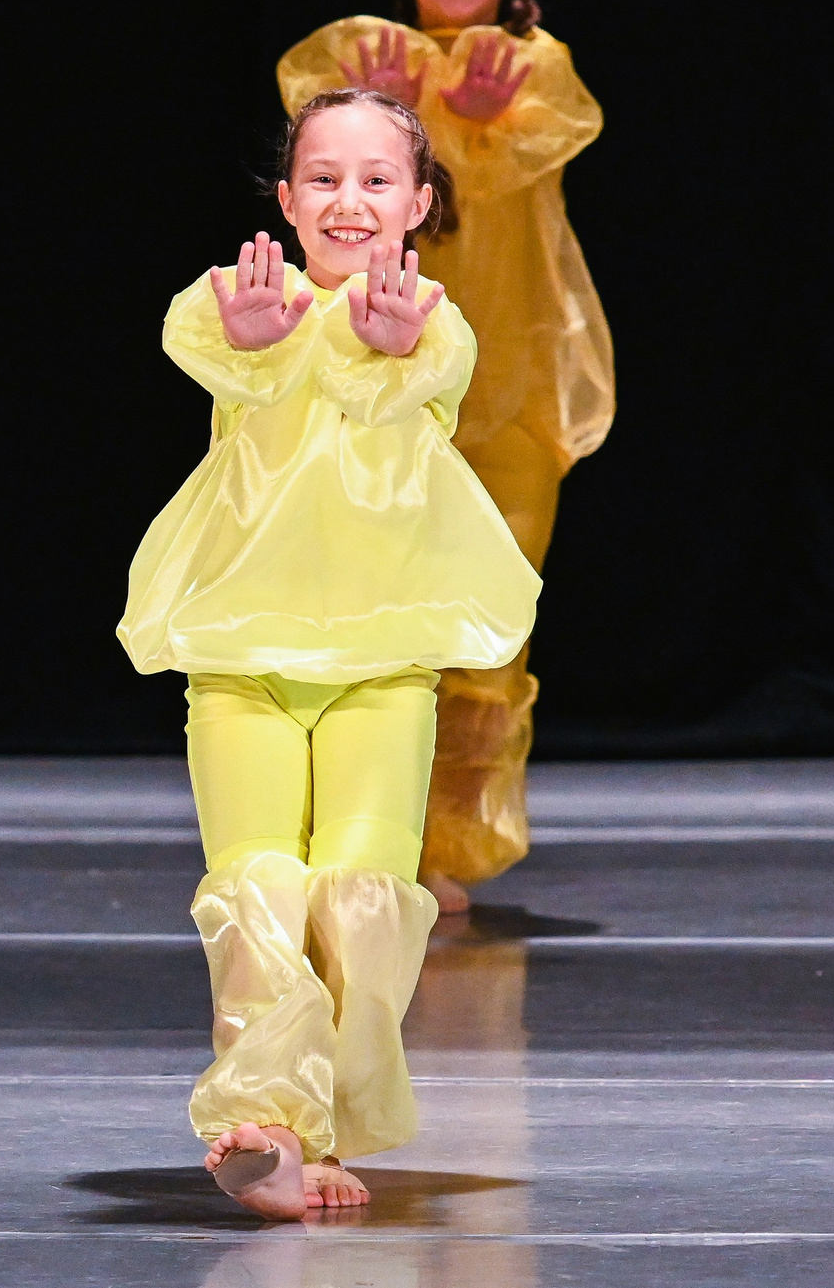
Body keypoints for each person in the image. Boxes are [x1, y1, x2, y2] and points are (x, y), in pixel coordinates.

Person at [119, 89, 539, 1218]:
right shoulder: (232, 306)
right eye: (322, 178)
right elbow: (204, 344)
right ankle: (266, 1128)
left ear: (417, 202)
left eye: (374, 180)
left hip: (381, 661)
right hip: (241, 649)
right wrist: (256, 341)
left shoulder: (432, 319)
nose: (347, 200)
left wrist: (384, 345)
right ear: (286, 199)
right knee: (258, 885)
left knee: (359, 898)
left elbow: (404, 378)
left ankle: (321, 1124)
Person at [278, 0, 608, 914]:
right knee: (368, 615)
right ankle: (355, 835)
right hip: (373, 378)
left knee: (481, 631)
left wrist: (463, 113)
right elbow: (331, 173)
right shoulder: (347, 60)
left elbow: (510, 162)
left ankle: (440, 846)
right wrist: (397, 107)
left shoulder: (535, 68)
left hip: (510, 386)